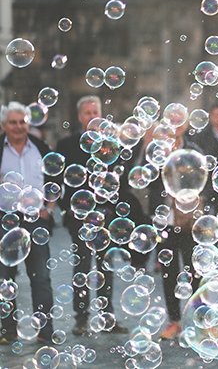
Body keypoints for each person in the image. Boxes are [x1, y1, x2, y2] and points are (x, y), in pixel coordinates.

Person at [55, 96, 131, 335]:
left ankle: (107, 317)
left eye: (95, 111)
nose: (91, 116)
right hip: (79, 217)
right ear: (80, 117)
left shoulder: (111, 145)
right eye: (87, 113)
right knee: (83, 267)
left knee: (106, 267)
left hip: (106, 215)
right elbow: (57, 181)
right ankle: (81, 319)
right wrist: (68, 209)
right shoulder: (67, 144)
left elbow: (122, 179)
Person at [0, 102, 55, 344]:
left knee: (41, 276)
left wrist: (49, 207)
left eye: (22, 121)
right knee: (4, 278)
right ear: (4, 125)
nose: (18, 126)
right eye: (13, 122)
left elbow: (57, 181)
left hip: (35, 221)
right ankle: (6, 331)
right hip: (4, 219)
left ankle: (46, 329)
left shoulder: (41, 148)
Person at [145, 121, 204, 340]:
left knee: (194, 271)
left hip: (188, 221)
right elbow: (145, 179)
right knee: (169, 273)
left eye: (181, 120)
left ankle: (197, 319)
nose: (176, 125)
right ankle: (174, 321)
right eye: (172, 120)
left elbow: (202, 181)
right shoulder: (155, 150)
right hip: (164, 219)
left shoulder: (194, 151)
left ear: (187, 124)